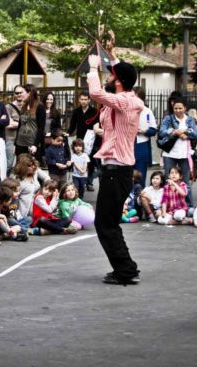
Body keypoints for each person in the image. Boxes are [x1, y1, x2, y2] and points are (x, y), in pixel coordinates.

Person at [86, 31, 144, 285]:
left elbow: (97, 94)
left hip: (117, 171)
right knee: (108, 222)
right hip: (114, 170)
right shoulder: (123, 98)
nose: (109, 77)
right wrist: (110, 52)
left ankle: (126, 270)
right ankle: (126, 267)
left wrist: (92, 69)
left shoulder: (126, 101)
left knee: (105, 223)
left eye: (112, 75)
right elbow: (119, 75)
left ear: (119, 81)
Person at [158, 97, 197, 206]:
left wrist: (185, 131)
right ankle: (167, 206)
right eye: (176, 108)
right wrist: (174, 132)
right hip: (169, 154)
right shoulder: (168, 118)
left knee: (186, 182)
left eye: (180, 108)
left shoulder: (189, 119)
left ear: (185, 108)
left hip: (184, 154)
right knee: (169, 181)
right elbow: (162, 131)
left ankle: (188, 206)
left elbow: (195, 134)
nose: (178, 110)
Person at [68, 92, 99, 191]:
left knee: (90, 162)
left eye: (86, 99)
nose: (83, 101)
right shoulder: (76, 111)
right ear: (79, 100)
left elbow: (97, 125)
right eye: (82, 99)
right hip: (80, 141)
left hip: (91, 140)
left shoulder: (94, 111)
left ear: (89, 100)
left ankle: (89, 183)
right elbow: (72, 125)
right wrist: (67, 133)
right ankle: (78, 180)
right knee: (79, 160)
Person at [14, 83, 46, 161]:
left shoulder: (39, 106)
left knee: (31, 168)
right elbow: (20, 125)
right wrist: (15, 144)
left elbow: (41, 128)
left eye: (22, 92)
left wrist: (35, 145)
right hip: (20, 143)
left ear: (29, 93)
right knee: (20, 169)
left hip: (31, 144)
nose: (20, 95)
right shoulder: (24, 106)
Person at [132, 87, 157, 186]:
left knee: (140, 174)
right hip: (128, 144)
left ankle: (140, 197)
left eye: (136, 98)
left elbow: (153, 130)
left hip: (142, 144)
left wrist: (144, 131)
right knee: (128, 174)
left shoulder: (147, 111)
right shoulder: (126, 110)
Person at [4, 85, 26, 177]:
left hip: (24, 140)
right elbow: (8, 124)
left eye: (21, 92)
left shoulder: (27, 106)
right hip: (11, 139)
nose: (19, 95)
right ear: (14, 94)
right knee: (9, 164)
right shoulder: (8, 107)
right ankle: (5, 183)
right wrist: (23, 123)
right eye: (17, 93)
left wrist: (15, 122)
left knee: (22, 165)